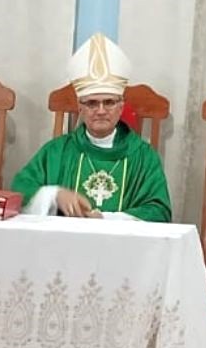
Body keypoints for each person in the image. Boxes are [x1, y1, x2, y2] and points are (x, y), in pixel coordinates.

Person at [11, 33, 171, 222]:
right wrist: (54, 195)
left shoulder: (144, 156)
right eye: (92, 103)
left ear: (121, 107)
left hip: (122, 249)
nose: (101, 111)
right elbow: (19, 190)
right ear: (80, 108)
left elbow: (158, 211)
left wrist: (106, 219)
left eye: (109, 102)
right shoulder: (57, 151)